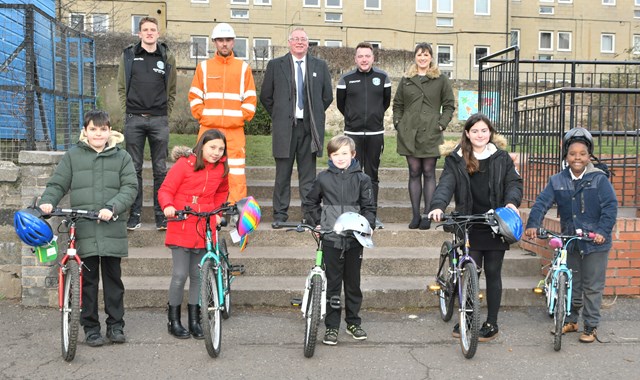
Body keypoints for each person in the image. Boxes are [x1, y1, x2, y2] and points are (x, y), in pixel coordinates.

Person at [38, 110, 137, 347]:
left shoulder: (122, 157)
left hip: (111, 226)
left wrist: (112, 207)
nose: (98, 133)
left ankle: (116, 326)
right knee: (88, 283)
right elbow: (58, 183)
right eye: (93, 129)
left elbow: (130, 187)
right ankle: (91, 328)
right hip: (84, 228)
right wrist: (48, 200)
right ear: (85, 131)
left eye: (103, 129)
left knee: (114, 282)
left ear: (109, 131)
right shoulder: (73, 156)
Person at [427, 113, 522, 342]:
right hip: (468, 222)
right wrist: (438, 206)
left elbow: (513, 183)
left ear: (490, 133)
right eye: (475, 131)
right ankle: (466, 317)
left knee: (492, 272)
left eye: (484, 130)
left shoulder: (501, 158)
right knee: (469, 271)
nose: (480, 135)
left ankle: (492, 322)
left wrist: (511, 202)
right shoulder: (456, 159)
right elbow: (446, 184)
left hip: (495, 223)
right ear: (467, 134)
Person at [524, 127, 617, 344]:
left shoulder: (599, 179)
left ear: (589, 156)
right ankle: (571, 319)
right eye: (573, 153)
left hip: (595, 241)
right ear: (566, 155)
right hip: (571, 239)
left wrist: (602, 232)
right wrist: (533, 224)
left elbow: (610, 207)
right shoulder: (557, 180)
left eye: (582, 154)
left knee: (593, 285)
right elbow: (541, 203)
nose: (577, 158)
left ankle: (591, 325)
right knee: (572, 283)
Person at [303, 135, 376, 346]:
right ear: (330, 156)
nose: (340, 157)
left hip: (354, 240)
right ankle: (332, 326)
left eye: (344, 153)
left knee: (353, 283)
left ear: (353, 155)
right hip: (331, 239)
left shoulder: (363, 179)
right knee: (332, 284)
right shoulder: (323, 178)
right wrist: (318, 222)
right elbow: (310, 202)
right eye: (336, 154)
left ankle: (353, 322)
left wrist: (367, 226)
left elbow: (369, 208)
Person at [158, 129, 230, 339]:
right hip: (182, 219)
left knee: (199, 275)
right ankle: (173, 320)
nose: (216, 152)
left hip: (205, 222)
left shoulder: (221, 167)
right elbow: (165, 190)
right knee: (180, 274)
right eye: (212, 147)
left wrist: (218, 211)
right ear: (201, 146)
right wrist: (168, 206)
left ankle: (195, 320)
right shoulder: (185, 164)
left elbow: (222, 191)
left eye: (221, 148)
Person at [260, 27, 333, 228]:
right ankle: (280, 215)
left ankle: (308, 215)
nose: (299, 42)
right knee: (282, 174)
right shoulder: (276, 65)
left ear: (308, 44)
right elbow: (266, 96)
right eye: (296, 39)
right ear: (289, 42)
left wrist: (312, 113)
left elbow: (327, 96)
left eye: (303, 39)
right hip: (285, 129)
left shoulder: (320, 65)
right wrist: (281, 114)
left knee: (308, 176)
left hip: (310, 130)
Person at [117, 16, 177, 231]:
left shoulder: (167, 56)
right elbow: (121, 88)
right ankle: (135, 214)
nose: (149, 32)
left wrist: (163, 113)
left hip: (159, 120)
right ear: (139, 33)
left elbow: (172, 90)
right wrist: (130, 111)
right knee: (133, 169)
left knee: (160, 169)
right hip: (134, 120)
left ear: (158, 33)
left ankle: (161, 215)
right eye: (145, 29)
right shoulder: (129, 55)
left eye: (153, 29)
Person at [189, 22, 257, 204]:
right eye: (220, 40)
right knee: (203, 172)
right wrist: (203, 116)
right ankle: (203, 213)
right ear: (214, 42)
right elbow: (194, 97)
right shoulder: (203, 68)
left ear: (233, 42)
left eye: (228, 40)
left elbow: (251, 101)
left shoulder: (243, 69)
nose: (224, 44)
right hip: (208, 130)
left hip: (234, 133)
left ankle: (237, 217)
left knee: (236, 175)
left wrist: (239, 118)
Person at [393, 42, 455, 230]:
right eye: (419, 55)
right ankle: (415, 215)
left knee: (428, 172)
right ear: (415, 57)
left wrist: (441, 124)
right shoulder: (406, 80)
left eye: (426, 55)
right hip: (409, 133)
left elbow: (449, 104)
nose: (422, 58)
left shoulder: (440, 79)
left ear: (431, 58)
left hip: (431, 133)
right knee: (413, 172)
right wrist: (398, 123)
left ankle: (428, 214)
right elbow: (397, 105)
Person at [336, 42, 391, 229]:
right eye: (360, 56)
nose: (364, 59)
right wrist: (354, 119)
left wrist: (373, 118)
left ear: (373, 58)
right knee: (353, 174)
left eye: (367, 56)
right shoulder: (346, 79)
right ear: (355, 58)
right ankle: (353, 214)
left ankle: (371, 215)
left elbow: (385, 102)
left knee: (372, 175)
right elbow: (341, 105)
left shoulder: (383, 77)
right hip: (353, 135)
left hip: (376, 134)